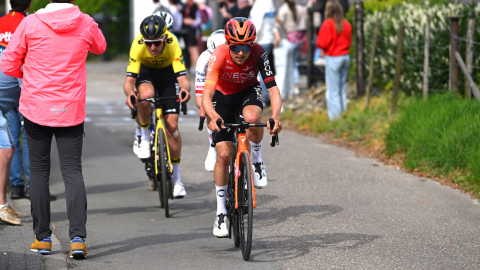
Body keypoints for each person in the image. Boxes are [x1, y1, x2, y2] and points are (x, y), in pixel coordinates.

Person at [1, 0, 106, 257]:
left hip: (36, 107)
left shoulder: (31, 23)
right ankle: (78, 239)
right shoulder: (85, 22)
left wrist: (29, 73)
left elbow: (7, 64)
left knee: (38, 171)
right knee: (73, 171)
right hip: (70, 108)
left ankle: (43, 238)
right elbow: (100, 47)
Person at [202, 18, 283, 237]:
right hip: (223, 96)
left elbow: (273, 90)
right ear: (228, 44)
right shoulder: (218, 55)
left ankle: (256, 160)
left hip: (248, 92)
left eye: (245, 47)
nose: (240, 52)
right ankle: (221, 213)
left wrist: (275, 117)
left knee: (253, 116)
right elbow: (207, 96)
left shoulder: (259, 53)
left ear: (251, 45)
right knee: (225, 154)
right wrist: (212, 116)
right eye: (235, 47)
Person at [125, 15, 191, 198]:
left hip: (167, 75)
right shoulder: (138, 44)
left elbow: (184, 81)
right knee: (145, 97)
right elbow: (129, 82)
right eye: (148, 43)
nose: (152, 47)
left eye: (156, 43)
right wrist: (131, 94)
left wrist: (184, 91)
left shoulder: (172, 43)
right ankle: (144, 136)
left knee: (172, 128)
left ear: (164, 37)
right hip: (145, 72)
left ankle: (177, 180)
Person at [0, 0, 33, 227]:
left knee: (10, 146)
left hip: (6, 100)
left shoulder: (1, 23)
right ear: (29, 4)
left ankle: (10, 195)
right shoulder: (29, 25)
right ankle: (4, 204)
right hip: (15, 96)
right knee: (18, 143)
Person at [195, 30, 225, 172]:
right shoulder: (204, 59)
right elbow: (199, 96)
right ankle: (213, 146)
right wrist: (204, 107)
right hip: (212, 89)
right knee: (208, 107)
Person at [315, 0, 351, 121]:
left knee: (333, 91)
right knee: (342, 88)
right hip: (345, 56)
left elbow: (322, 43)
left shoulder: (328, 24)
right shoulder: (346, 23)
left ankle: (336, 119)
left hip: (334, 57)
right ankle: (344, 113)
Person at [277, 0, 307, 96]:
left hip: (290, 38)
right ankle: (295, 86)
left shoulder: (283, 10)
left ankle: (293, 86)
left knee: (290, 65)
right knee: (294, 63)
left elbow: (278, 24)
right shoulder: (299, 8)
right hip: (300, 37)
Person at [249, 0, 276, 105]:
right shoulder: (269, 3)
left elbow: (255, 26)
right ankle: (267, 96)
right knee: (266, 70)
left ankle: (264, 98)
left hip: (260, 41)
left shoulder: (259, 4)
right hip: (269, 40)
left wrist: (249, 42)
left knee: (260, 72)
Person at [182, 0, 200, 72]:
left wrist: (190, 21)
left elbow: (197, 21)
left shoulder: (194, 6)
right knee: (190, 49)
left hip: (193, 30)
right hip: (188, 30)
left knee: (194, 49)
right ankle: (192, 66)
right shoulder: (187, 5)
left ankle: (196, 66)